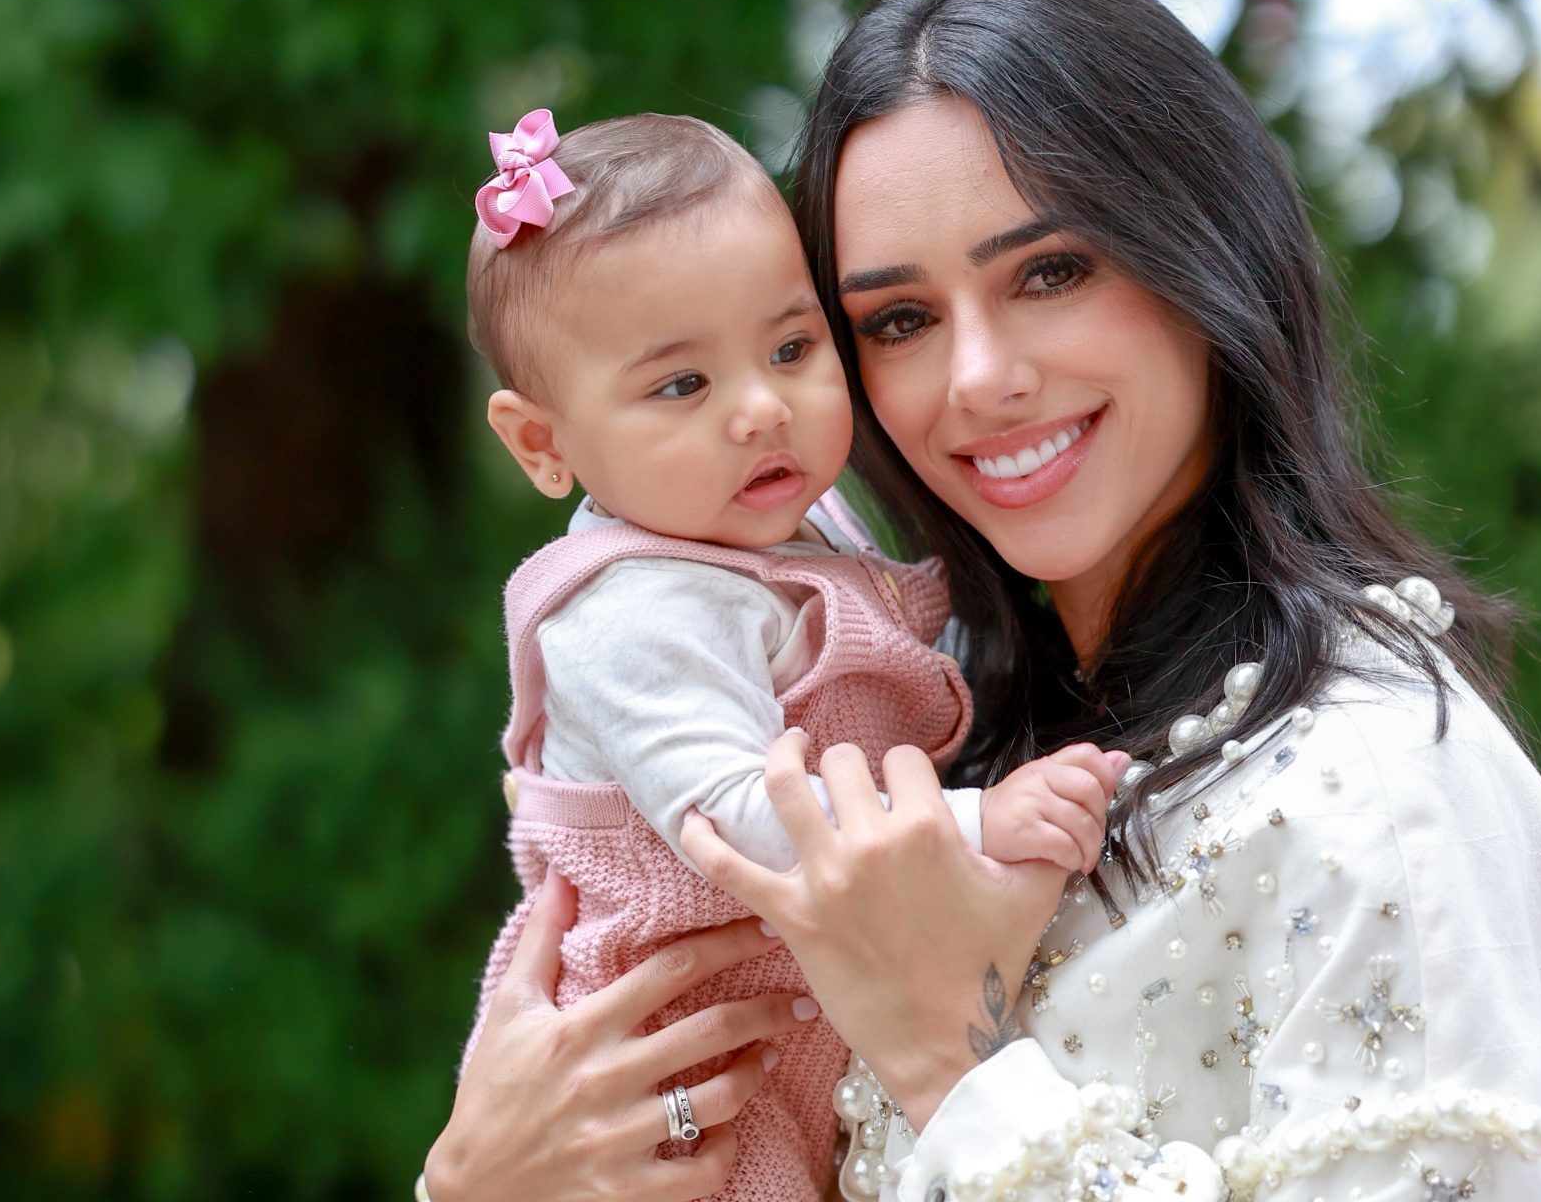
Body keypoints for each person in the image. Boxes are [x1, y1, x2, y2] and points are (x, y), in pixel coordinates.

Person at [426, 0, 1541, 1202]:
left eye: (1050, 272)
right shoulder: (944, 745)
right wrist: (473, 1180)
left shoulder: (1372, 779)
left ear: (1208, 251)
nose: (978, 375)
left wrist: (955, 1060)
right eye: (899, 319)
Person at [450, 108, 1125, 1201]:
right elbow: (736, 815)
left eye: (791, 347)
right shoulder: (629, 611)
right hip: (679, 1061)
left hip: (802, 1009)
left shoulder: (794, 523)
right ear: (544, 443)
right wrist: (976, 823)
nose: (762, 407)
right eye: (682, 385)